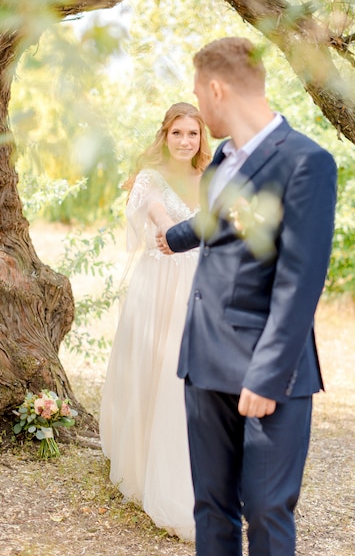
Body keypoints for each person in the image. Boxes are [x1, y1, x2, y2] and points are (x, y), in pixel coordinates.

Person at [157, 38, 337, 555]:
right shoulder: (220, 162)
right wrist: (172, 237)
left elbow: (301, 279)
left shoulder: (306, 162)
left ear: (216, 89)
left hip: (268, 371)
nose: (198, 101)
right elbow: (214, 229)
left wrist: (266, 374)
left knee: (265, 510)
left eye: (198, 93)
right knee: (211, 509)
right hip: (205, 361)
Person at [99, 102, 211, 541]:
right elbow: (168, 232)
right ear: (164, 135)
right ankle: (150, 470)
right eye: (178, 133)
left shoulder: (211, 180)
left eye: (193, 134)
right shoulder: (149, 179)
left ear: (203, 138)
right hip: (160, 287)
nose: (186, 141)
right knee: (160, 374)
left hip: (201, 287)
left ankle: (196, 472)